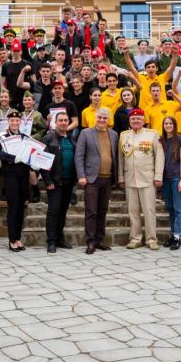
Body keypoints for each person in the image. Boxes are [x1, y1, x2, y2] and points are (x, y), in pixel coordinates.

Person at [118, 108, 165, 250]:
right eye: (133, 119)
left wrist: (158, 176)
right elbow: (121, 158)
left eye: (139, 118)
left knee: (149, 210)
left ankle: (151, 239)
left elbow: (159, 157)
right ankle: (135, 238)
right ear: (129, 121)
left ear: (144, 120)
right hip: (130, 178)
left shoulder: (152, 134)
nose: (136, 121)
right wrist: (121, 177)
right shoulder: (124, 135)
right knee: (133, 210)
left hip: (147, 179)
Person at [75, 108, 119, 254]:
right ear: (95, 117)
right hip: (91, 179)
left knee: (103, 211)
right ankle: (90, 241)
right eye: (99, 117)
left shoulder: (113, 134)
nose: (101, 120)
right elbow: (79, 156)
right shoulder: (85, 133)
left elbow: (115, 156)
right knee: (91, 211)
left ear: (108, 120)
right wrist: (81, 175)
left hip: (108, 179)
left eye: (104, 118)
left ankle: (99, 240)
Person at [40, 112, 77, 253]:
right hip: (54, 182)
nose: (63, 122)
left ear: (68, 122)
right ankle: (51, 241)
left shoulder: (72, 139)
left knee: (63, 211)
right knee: (53, 211)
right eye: (60, 120)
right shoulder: (49, 138)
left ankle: (60, 239)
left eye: (65, 120)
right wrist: (47, 181)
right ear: (56, 123)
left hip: (68, 181)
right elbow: (43, 161)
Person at [0, 111, 32, 252]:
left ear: (20, 122)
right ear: (8, 122)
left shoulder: (25, 137)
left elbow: (30, 153)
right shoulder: (2, 137)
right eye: (12, 120)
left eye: (17, 120)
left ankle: (18, 238)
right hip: (10, 175)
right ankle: (12, 240)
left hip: (23, 175)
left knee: (21, 207)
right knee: (13, 206)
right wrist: (11, 158)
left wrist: (32, 162)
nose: (15, 123)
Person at [160, 117, 181, 249]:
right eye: (166, 123)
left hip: (176, 177)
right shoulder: (161, 140)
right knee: (170, 208)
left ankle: (177, 237)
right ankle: (173, 234)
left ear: (174, 125)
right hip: (165, 178)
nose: (168, 125)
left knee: (178, 208)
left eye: (171, 123)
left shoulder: (180, 139)